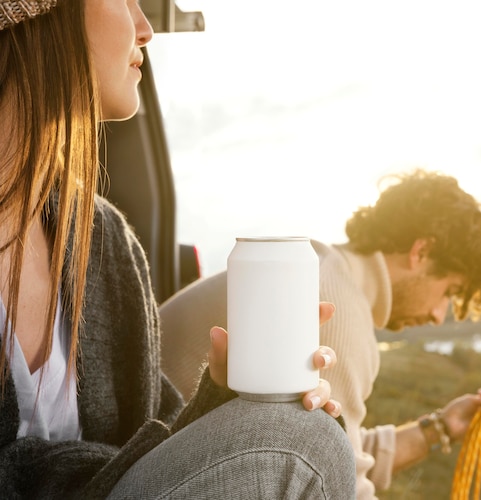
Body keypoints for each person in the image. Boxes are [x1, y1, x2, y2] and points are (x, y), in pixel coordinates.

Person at [0, 1, 356, 498]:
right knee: (305, 449)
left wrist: (227, 398)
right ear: (31, 15)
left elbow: (150, 463)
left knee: (302, 424)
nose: (145, 30)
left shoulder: (104, 239)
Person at [159, 168, 481, 498]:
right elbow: (338, 486)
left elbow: (336, 455)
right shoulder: (337, 302)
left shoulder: (326, 270)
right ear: (421, 252)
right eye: (449, 292)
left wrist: (439, 428)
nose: (439, 316)